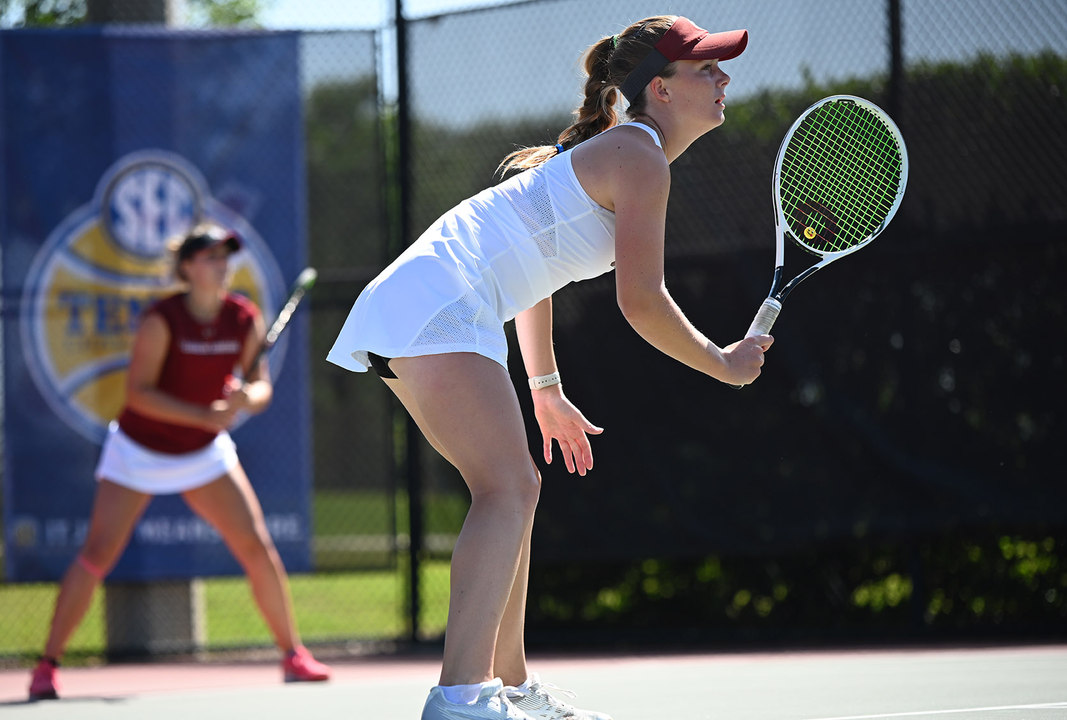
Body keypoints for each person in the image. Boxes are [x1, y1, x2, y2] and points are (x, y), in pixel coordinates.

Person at [327, 14, 772, 720]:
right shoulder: (641, 158)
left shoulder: (620, 153)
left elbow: (534, 278)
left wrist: (545, 389)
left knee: (513, 489)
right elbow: (642, 301)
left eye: (720, 67)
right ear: (659, 88)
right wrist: (722, 363)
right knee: (508, 487)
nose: (723, 79)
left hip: (428, 304)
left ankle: (506, 687)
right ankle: (460, 697)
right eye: (706, 68)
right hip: (436, 302)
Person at [28, 224, 331, 700]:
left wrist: (245, 397)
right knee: (97, 554)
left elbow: (262, 387)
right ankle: (47, 665)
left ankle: (294, 655)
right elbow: (138, 394)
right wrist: (202, 413)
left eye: (225, 257)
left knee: (257, 547)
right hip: (138, 449)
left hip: (204, 452)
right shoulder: (161, 320)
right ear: (187, 268)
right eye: (210, 257)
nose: (221, 265)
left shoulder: (242, 317)